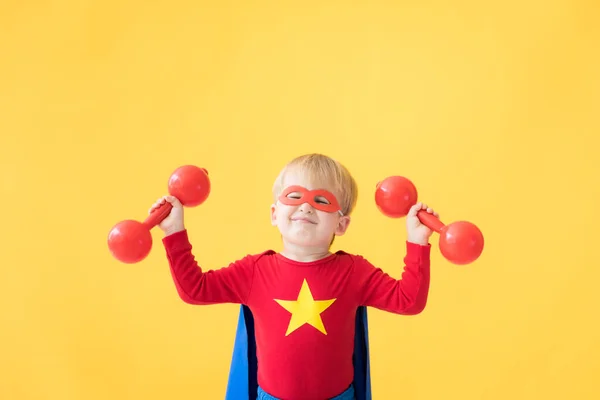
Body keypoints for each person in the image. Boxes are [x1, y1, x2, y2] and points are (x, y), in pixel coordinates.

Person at [150, 153, 437, 400]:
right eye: (294, 195)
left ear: (342, 223)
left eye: (322, 200)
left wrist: (417, 242)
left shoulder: (354, 272)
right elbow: (195, 289)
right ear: (275, 213)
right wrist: (174, 232)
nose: (305, 206)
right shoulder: (255, 271)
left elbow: (408, 300)